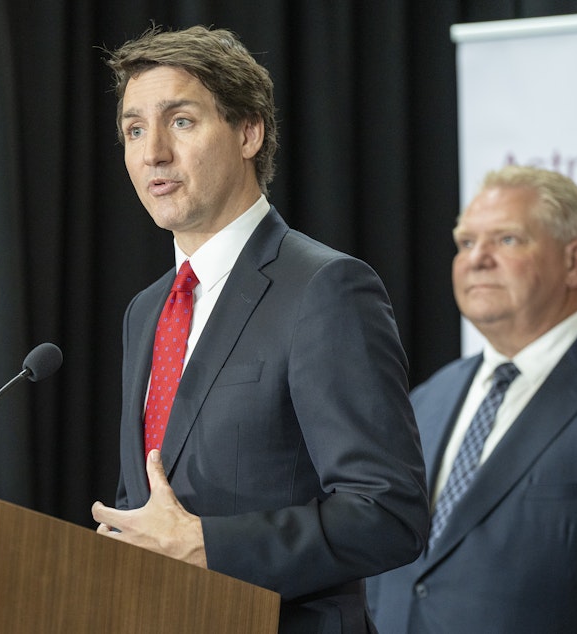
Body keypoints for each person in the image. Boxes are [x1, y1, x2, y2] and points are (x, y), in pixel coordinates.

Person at [90, 25, 429, 633]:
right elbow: (148, 508)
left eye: (182, 122)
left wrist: (211, 547)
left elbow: (389, 514)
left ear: (249, 132)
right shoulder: (147, 311)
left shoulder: (325, 289)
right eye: (134, 130)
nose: (152, 153)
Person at [366, 165, 577, 633]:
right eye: (466, 243)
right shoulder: (427, 399)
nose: (477, 259)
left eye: (508, 240)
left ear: (575, 261)